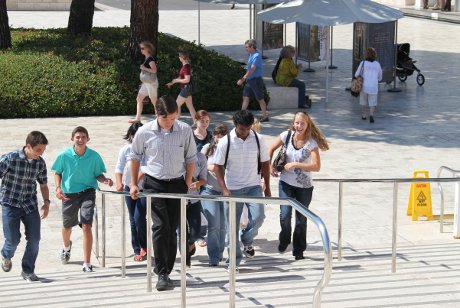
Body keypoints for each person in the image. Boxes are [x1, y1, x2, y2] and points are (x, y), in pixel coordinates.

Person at [129, 95, 196, 291]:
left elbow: (191, 157)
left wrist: (187, 182)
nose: (170, 122)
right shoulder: (144, 132)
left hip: (177, 183)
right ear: (157, 114)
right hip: (154, 183)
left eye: (173, 118)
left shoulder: (184, 130)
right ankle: (162, 272)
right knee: (160, 226)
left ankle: (167, 267)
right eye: (166, 119)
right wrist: (134, 183)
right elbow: (134, 157)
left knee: (172, 227)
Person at [213, 110, 271, 272]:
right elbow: (218, 167)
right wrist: (224, 189)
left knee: (259, 217)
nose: (245, 132)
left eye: (247, 128)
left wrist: (267, 188)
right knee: (231, 226)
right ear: (235, 125)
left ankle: (246, 238)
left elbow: (265, 164)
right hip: (233, 188)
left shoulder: (259, 140)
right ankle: (232, 262)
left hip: (253, 186)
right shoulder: (226, 142)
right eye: (241, 129)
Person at [268, 112, 329, 260]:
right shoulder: (286, 136)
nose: (299, 126)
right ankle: (284, 239)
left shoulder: (311, 143)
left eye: (302, 123)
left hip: (304, 187)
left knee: (301, 219)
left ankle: (299, 250)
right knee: (285, 215)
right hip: (285, 183)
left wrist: (296, 164)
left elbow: (316, 166)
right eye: (297, 123)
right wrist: (270, 166)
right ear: (293, 123)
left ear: (308, 125)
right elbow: (269, 149)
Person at [52, 126, 113, 273]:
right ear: (72, 138)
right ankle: (66, 247)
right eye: (77, 137)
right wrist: (58, 188)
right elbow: (57, 172)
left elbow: (98, 174)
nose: (80, 140)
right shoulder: (64, 155)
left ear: (88, 139)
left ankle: (87, 262)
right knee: (67, 226)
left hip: (88, 192)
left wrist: (104, 180)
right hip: (69, 194)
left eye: (83, 137)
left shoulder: (94, 156)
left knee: (86, 225)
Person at [0, 131, 50, 282]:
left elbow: (43, 185)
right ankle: (6, 255)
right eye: (38, 150)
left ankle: (28, 271)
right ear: (28, 146)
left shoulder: (40, 163)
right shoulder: (10, 159)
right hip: (10, 204)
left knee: (35, 239)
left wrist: (46, 203)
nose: (40, 153)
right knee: (13, 240)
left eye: (43, 150)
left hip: (30, 205)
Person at [115, 122, 147, 262]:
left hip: (145, 189)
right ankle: (137, 249)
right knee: (133, 219)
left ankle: (144, 245)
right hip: (129, 188)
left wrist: (136, 182)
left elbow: (146, 169)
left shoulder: (149, 149)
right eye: (135, 135)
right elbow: (119, 167)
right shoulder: (125, 150)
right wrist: (119, 182)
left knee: (139, 217)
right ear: (131, 136)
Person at [200, 123, 229, 267]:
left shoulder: (230, 149)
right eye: (217, 135)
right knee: (213, 225)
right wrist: (209, 167)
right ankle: (213, 256)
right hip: (209, 190)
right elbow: (198, 164)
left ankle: (220, 252)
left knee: (223, 225)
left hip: (225, 191)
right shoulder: (207, 149)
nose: (219, 138)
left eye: (222, 135)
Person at [178, 151, 207, 268]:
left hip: (194, 199)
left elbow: (204, 178)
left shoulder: (200, 157)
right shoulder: (176, 155)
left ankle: (191, 243)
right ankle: (185, 260)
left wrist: (198, 184)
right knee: (181, 232)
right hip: (179, 199)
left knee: (195, 232)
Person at [237, 39, 269, 123]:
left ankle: (265, 116)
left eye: (247, 47)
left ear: (252, 47)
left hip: (256, 80)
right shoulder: (252, 54)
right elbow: (250, 67)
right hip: (250, 80)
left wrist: (243, 78)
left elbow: (252, 68)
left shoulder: (256, 56)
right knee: (245, 97)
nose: (246, 49)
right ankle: (241, 115)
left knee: (260, 99)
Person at [129, 41, 158, 123]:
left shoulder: (150, 59)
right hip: (146, 83)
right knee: (139, 98)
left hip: (151, 83)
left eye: (142, 48)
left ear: (148, 49)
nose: (141, 50)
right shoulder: (147, 58)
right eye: (140, 48)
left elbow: (154, 70)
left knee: (154, 101)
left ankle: (159, 117)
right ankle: (138, 118)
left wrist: (144, 68)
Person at [166, 51, 196, 120]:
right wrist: (172, 82)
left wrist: (176, 81)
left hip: (185, 89)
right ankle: (196, 122)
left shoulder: (186, 66)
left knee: (176, 105)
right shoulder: (185, 66)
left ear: (182, 57)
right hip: (186, 89)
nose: (178, 58)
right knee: (190, 106)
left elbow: (187, 80)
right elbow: (181, 77)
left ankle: (176, 120)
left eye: (179, 57)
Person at [355, 47, 382, 123]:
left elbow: (357, 74)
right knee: (372, 101)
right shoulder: (377, 64)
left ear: (366, 54)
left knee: (363, 100)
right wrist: (378, 80)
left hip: (364, 86)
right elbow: (380, 76)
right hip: (373, 86)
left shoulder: (363, 63)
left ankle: (364, 115)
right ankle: (371, 115)